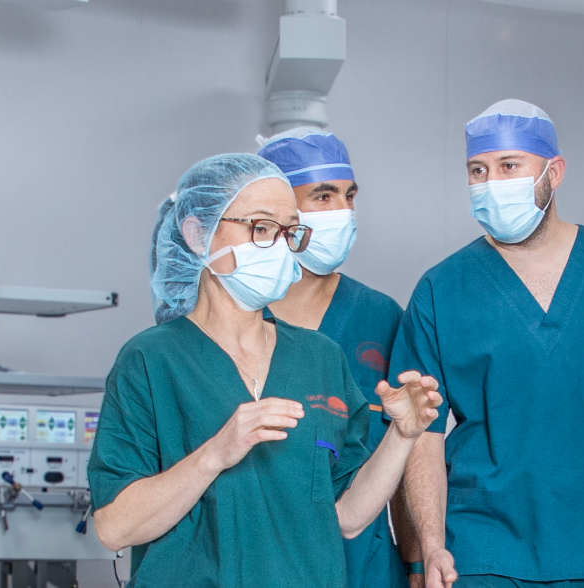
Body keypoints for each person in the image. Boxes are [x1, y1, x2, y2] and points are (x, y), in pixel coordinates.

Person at [87, 153, 443, 588]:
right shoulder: (149, 361)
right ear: (198, 235)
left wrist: (401, 435)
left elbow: (347, 516)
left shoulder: (319, 357)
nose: (278, 246)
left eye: (289, 232)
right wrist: (215, 454)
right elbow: (114, 528)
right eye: (260, 228)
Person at [393, 100, 584, 588]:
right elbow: (422, 434)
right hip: (483, 550)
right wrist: (430, 545)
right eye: (478, 169)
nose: (491, 183)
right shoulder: (442, 289)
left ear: (553, 172)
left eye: (509, 166)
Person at [258, 128, 420, 588]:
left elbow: (405, 456)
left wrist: (417, 561)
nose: (343, 211)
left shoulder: (381, 317)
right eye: (323, 196)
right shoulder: (241, 317)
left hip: (361, 564)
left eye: (349, 196)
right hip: (259, 559)